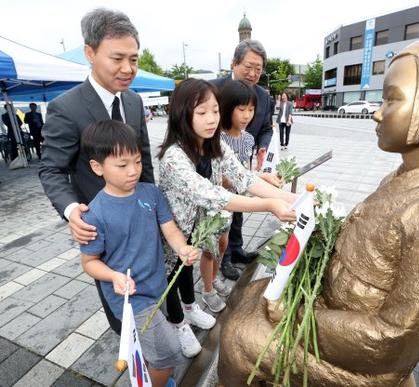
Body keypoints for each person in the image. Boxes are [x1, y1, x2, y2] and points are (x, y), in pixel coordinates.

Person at [218, 29, 419, 386]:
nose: (376, 113)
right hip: (337, 309)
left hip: (365, 362)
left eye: (392, 100)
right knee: (246, 293)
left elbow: (390, 340)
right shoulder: (405, 178)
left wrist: (294, 319)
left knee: (239, 337)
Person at [39, 8, 154, 335]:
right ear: (89, 53)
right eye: (117, 58)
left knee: (151, 286)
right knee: (123, 308)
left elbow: (143, 159)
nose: (128, 68)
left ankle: (166, 332)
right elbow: (52, 170)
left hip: (142, 221)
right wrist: (73, 210)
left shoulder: (133, 102)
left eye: (134, 59)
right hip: (102, 228)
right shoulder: (66, 107)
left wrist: (153, 207)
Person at [157, 78, 296, 326]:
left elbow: (243, 178)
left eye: (215, 111)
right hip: (171, 231)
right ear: (182, 114)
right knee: (172, 273)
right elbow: (213, 195)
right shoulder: (173, 157)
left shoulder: (215, 143)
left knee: (188, 267)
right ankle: (177, 323)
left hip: (195, 228)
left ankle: (190, 308)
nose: (211, 119)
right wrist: (267, 205)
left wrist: (292, 199)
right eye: (202, 112)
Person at [79, 120, 200, 387]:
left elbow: (170, 230)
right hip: (130, 298)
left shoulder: (150, 193)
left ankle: (151, 375)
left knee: (153, 348)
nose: (133, 171)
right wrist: (113, 276)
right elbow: (89, 262)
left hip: (158, 286)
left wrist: (183, 248)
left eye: (137, 161)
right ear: (97, 167)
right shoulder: (95, 213)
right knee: (169, 353)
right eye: (122, 165)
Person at [211, 40, 273, 275]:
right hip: (217, 164)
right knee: (223, 214)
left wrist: (262, 147)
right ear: (234, 63)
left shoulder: (263, 97)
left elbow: (266, 128)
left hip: (243, 162)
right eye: (249, 66)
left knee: (238, 211)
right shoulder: (213, 88)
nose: (253, 73)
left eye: (259, 69)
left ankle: (236, 249)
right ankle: (222, 259)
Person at [218, 80, 282, 280]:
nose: (247, 115)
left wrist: (260, 176)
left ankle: (237, 250)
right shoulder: (218, 138)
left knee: (237, 222)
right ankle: (225, 260)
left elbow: (246, 168)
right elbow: (221, 178)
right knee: (223, 229)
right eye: (241, 109)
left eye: (251, 109)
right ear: (227, 108)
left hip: (239, 191)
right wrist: (248, 179)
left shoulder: (247, 138)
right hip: (222, 196)